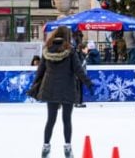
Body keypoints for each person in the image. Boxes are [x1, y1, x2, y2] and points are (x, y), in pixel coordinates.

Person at [29, 25, 92, 158]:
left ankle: (46, 147)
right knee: (66, 119)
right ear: (67, 36)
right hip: (67, 88)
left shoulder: (47, 50)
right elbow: (78, 70)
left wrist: (34, 86)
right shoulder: (70, 51)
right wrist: (88, 83)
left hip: (50, 88)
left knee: (50, 119)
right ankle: (67, 148)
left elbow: (40, 71)